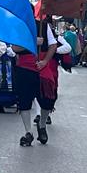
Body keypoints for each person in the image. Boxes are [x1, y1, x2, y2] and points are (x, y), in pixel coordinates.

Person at [14, 12, 58, 146]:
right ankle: (28, 132)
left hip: (41, 67)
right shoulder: (19, 27)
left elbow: (53, 45)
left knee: (48, 99)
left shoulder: (43, 26)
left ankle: (42, 124)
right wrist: (32, 41)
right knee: (24, 100)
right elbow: (15, 48)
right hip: (24, 68)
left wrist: (45, 61)